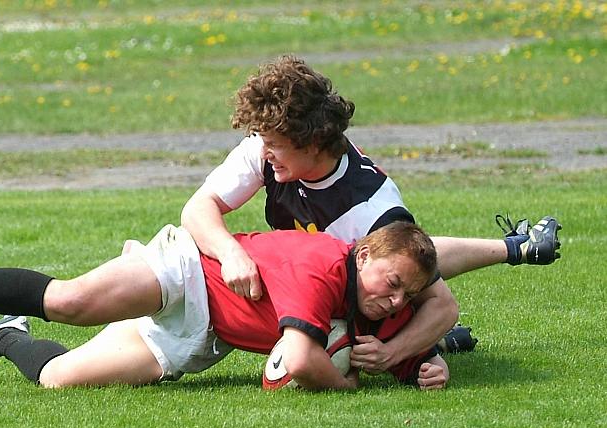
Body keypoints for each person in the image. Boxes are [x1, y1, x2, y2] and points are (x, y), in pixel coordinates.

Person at [179, 54, 561, 373]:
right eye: (264, 140)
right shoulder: (268, 148)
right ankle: (518, 248)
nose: (264, 150)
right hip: (316, 279)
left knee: (394, 285)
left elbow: (441, 303)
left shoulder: (373, 210)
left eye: (274, 144)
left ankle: (512, 252)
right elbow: (197, 209)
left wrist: (394, 353)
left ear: (312, 143)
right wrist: (231, 253)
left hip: (350, 276)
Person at [0, 221, 448, 390]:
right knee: (70, 300)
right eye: (389, 282)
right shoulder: (319, 262)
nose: (393, 299)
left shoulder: (385, 307)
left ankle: (5, 336)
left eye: (405, 295)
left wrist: (422, 365)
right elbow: (298, 356)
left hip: (203, 337)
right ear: (362, 252)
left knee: (60, 378)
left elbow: (412, 348)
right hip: (188, 274)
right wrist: (347, 388)